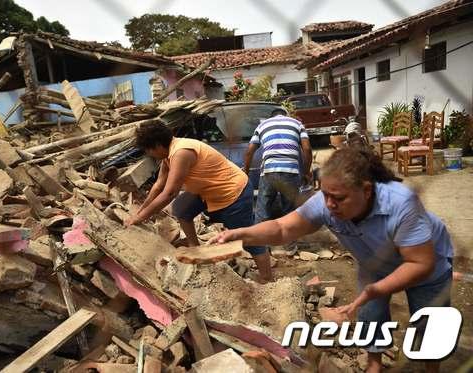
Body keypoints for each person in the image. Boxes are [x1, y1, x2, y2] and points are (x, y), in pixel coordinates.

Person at [211, 148, 453, 373]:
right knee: (370, 317)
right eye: (325, 194)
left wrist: (374, 289)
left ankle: (431, 368)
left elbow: (420, 264)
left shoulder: (402, 204)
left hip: (426, 266)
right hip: (374, 263)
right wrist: (241, 233)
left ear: (367, 190)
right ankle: (374, 365)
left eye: (338, 198)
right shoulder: (326, 202)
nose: (329, 204)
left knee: (429, 323)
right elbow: (282, 229)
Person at [124, 120, 273, 282]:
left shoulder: (181, 152)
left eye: (149, 150)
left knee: (247, 238)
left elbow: (169, 193)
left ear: (157, 145)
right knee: (182, 209)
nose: (150, 155)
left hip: (233, 192)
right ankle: (196, 249)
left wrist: (139, 218)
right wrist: (139, 213)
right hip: (208, 190)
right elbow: (158, 186)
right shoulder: (169, 155)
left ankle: (266, 278)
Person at [244, 108, 313, 223]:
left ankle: (261, 237)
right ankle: (290, 239)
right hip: (291, 171)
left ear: (271, 116)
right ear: (285, 115)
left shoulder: (262, 125)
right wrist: (306, 172)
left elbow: (249, 151)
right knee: (290, 212)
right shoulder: (297, 124)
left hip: (268, 172)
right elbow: (307, 149)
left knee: (262, 211)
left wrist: (245, 171)